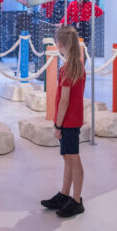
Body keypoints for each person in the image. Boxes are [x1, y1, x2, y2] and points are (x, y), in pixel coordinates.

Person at [41, 26, 86, 218]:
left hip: (68, 122)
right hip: (72, 121)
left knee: (73, 158)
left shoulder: (67, 68)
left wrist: (58, 125)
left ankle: (76, 200)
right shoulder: (77, 66)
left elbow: (64, 100)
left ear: (59, 45)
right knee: (68, 157)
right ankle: (65, 194)